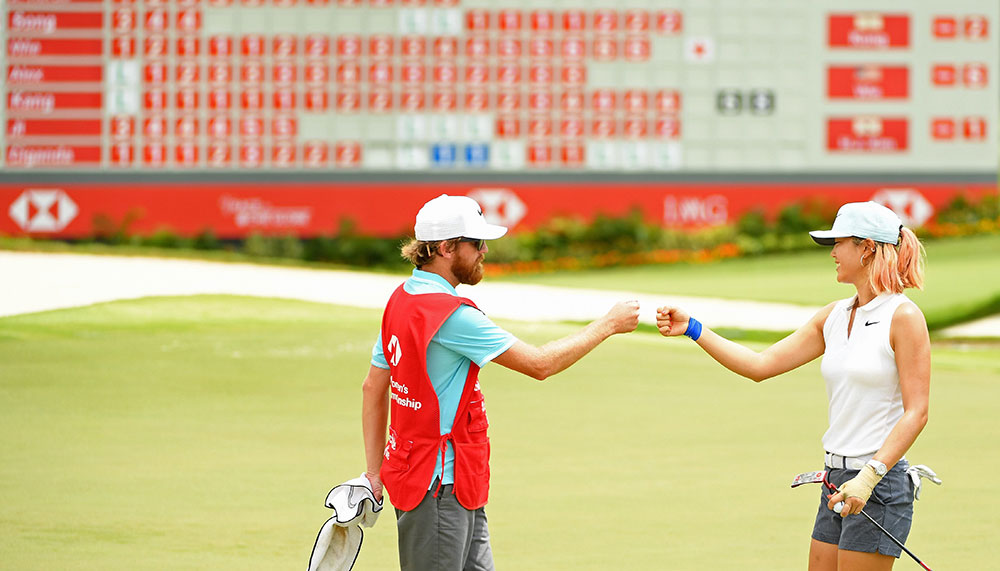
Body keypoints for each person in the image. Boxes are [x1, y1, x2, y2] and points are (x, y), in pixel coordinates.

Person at [361, 194, 640, 571]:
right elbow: (540, 365)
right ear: (445, 248)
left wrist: (375, 473)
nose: (484, 250)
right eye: (475, 243)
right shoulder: (452, 316)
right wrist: (608, 325)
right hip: (439, 486)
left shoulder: (402, 299)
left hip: (451, 482)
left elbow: (372, 387)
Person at [655, 201, 930, 571]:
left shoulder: (903, 316)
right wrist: (693, 329)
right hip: (835, 481)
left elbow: (917, 412)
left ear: (866, 248)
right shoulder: (833, 316)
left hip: (877, 484)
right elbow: (759, 365)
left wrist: (869, 477)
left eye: (839, 243)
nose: (832, 252)